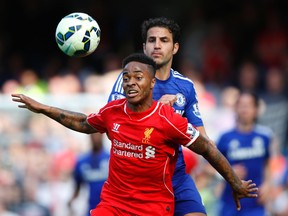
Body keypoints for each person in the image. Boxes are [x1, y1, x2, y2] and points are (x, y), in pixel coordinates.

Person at [12, 53, 258, 216]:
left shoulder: (168, 120)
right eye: (126, 77)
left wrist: (235, 183)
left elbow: (207, 148)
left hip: (152, 208)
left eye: (138, 78)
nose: (130, 82)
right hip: (114, 205)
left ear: (152, 83)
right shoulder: (112, 112)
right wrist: (45, 109)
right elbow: (84, 123)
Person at [108, 17, 214, 216]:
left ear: (175, 48)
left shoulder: (186, 87)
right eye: (151, 40)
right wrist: (157, 111)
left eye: (164, 40)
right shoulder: (128, 82)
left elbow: (202, 138)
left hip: (176, 177)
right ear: (144, 47)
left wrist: (223, 171)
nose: (157, 45)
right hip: (138, 184)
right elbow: (114, 132)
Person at [216, 91, 273, 216]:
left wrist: (268, 185)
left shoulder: (265, 136)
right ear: (235, 108)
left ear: (256, 109)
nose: (245, 108)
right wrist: (227, 172)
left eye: (249, 105)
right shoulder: (224, 138)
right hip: (230, 203)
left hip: (256, 204)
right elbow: (208, 167)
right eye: (241, 105)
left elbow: (268, 163)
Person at [68, 133, 110, 216]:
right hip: (90, 210)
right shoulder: (81, 162)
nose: (95, 137)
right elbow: (77, 187)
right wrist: (71, 201)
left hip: (108, 209)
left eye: (98, 134)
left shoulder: (110, 159)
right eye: (93, 134)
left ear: (102, 135)